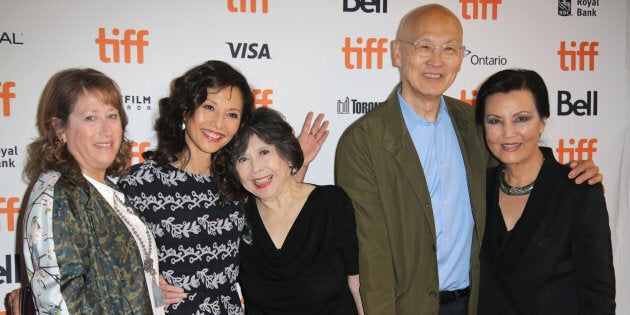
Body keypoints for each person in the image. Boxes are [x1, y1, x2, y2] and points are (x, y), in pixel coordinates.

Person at [334, 4, 602, 315]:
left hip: (480, 303)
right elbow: (371, 253)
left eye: (449, 48)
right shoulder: (363, 141)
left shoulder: (474, 123)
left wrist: (568, 175)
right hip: (409, 307)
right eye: (424, 46)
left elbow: (516, 167)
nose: (436, 60)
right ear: (397, 53)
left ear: (461, 57)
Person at [118, 60, 328, 314]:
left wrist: (293, 163)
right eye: (209, 107)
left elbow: (277, 209)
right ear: (186, 109)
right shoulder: (139, 183)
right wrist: (142, 286)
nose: (219, 124)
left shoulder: (237, 179)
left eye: (231, 114)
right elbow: (113, 263)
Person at [21, 68, 166, 314]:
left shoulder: (106, 189)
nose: (106, 130)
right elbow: (62, 305)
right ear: (60, 129)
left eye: (112, 115)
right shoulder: (59, 196)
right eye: (90, 118)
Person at [475, 68, 615, 314]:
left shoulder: (578, 190)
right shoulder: (476, 188)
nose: (508, 133)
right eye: (495, 121)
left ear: (542, 121)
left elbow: (598, 294)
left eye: (521, 119)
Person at [213, 107, 364, 314]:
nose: (256, 168)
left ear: (286, 154)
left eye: (264, 152)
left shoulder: (331, 204)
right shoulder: (235, 217)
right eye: (242, 159)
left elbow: (357, 285)